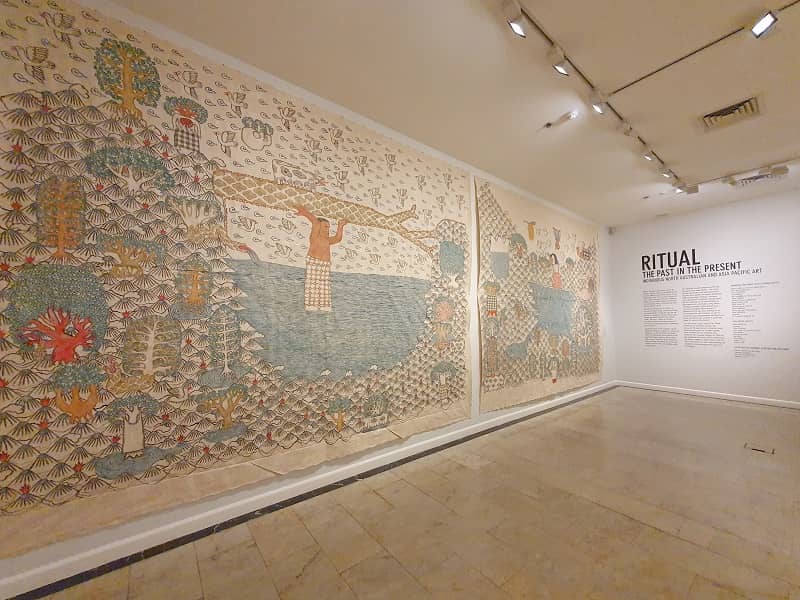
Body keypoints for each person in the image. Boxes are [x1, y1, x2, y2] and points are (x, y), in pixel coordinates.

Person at [294, 204, 347, 311]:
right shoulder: (315, 237)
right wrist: (305, 213)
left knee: (324, 286)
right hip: (314, 263)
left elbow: (337, 239)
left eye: (328, 227)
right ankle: (311, 306)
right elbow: (315, 222)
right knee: (312, 285)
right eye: (325, 227)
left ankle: (324, 306)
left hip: (325, 265)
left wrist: (340, 226)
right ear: (319, 227)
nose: (327, 230)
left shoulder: (327, 240)